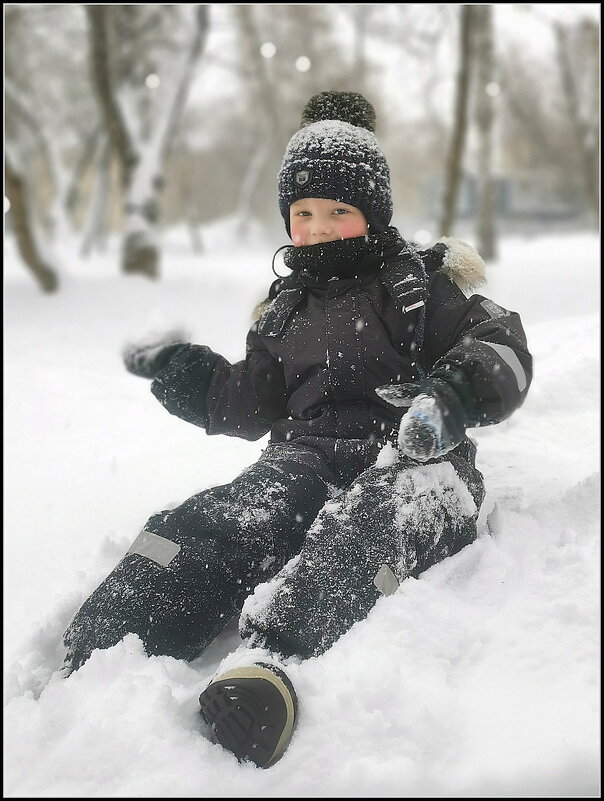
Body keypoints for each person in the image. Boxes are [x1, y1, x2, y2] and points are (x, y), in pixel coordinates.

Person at [61, 91, 532, 769]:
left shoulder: (420, 286)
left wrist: (453, 395)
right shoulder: (284, 310)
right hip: (304, 459)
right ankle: (117, 627)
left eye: (339, 210)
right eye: (303, 213)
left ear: (372, 212)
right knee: (223, 518)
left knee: (367, 529)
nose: (319, 228)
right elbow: (252, 401)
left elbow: (501, 345)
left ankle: (273, 660)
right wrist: (188, 374)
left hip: (417, 461)